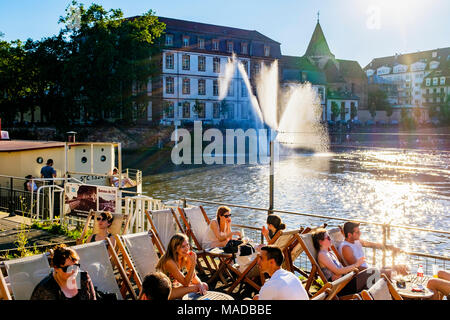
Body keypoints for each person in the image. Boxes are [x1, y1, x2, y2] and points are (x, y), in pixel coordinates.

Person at [312, 228, 374, 296]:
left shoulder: (330, 253)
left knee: (373, 275)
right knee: (373, 273)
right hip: (340, 288)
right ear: (320, 242)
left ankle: (365, 296)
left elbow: (341, 270)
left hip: (345, 282)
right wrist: (356, 265)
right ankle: (365, 296)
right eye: (328, 238)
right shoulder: (322, 255)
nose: (331, 239)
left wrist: (340, 273)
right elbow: (338, 271)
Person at [339, 221, 409, 278]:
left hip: (369, 269)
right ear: (349, 235)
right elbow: (357, 268)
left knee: (403, 267)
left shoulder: (357, 241)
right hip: (362, 275)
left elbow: (373, 244)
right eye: (357, 232)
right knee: (393, 272)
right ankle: (399, 290)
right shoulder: (346, 248)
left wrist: (391, 247)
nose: (360, 233)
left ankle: (400, 290)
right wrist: (377, 270)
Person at [30, 244, 96, 300]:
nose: (74, 271)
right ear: (56, 268)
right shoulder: (46, 289)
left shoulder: (83, 278)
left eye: (76, 266)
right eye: (68, 268)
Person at [156, 233, 208, 299]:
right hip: (163, 291)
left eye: (187, 245)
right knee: (197, 288)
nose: (187, 249)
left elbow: (193, 277)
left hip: (176, 286)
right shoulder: (169, 261)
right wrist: (193, 263)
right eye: (183, 247)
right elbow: (185, 283)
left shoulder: (184, 257)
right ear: (175, 248)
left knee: (204, 286)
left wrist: (200, 284)